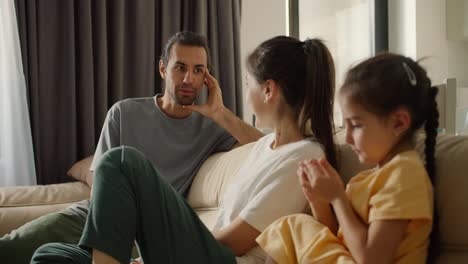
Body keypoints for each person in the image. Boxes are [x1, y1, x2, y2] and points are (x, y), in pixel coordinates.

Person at [31, 36, 337, 263]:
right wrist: (218, 112)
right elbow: (264, 142)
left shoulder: (305, 156)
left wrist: (157, 254)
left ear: (268, 90)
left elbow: (235, 243)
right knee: (51, 256)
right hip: (202, 250)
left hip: (222, 258)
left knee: (121, 160)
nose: (245, 92)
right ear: (164, 70)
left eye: (248, 83)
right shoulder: (268, 147)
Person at [0, 31, 263, 263]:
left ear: (207, 78)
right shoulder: (124, 112)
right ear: (162, 69)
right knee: (12, 248)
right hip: (94, 214)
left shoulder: (212, 127)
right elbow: (99, 176)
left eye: (198, 70)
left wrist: (220, 113)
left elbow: (267, 146)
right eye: (180, 67)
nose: (188, 78)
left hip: (146, 229)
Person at [257, 53, 439, 264]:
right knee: (290, 229)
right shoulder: (375, 177)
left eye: (357, 125)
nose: (349, 138)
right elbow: (339, 241)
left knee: (291, 228)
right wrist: (319, 201)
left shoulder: (404, 174)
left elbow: (372, 259)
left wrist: (338, 198)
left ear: (399, 123)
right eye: (346, 126)